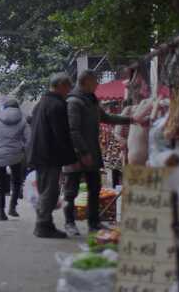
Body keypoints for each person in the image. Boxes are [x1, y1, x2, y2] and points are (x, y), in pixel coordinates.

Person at [63, 70, 138, 236]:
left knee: (95, 188)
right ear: (86, 82)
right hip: (75, 154)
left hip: (93, 152)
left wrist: (131, 120)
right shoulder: (74, 102)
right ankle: (69, 222)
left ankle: (94, 223)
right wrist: (83, 152)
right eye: (95, 81)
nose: (97, 85)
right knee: (71, 191)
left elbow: (106, 117)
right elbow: (73, 130)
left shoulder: (91, 100)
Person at [27, 72, 77, 239]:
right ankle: (42, 225)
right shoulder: (57, 105)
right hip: (49, 154)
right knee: (50, 191)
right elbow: (61, 134)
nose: (69, 90)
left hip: (39, 152)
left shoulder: (41, 103)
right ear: (61, 85)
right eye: (68, 87)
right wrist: (71, 158)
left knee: (45, 190)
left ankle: (45, 223)